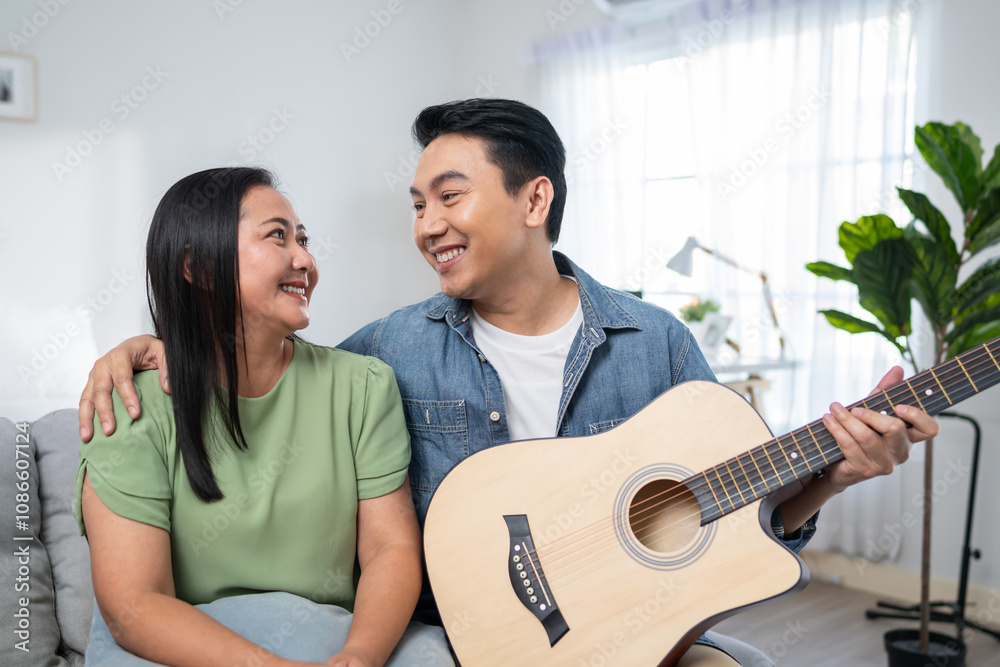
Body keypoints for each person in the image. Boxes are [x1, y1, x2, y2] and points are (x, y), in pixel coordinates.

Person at [79, 100, 939, 666]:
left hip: (624, 633)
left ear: (534, 201)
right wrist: (151, 344)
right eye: (417, 205)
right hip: (469, 637)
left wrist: (833, 474)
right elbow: (262, 373)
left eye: (449, 197)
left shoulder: (659, 346)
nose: (427, 225)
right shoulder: (390, 350)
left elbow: (733, 523)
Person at [74, 167, 454, 667]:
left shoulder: (363, 387)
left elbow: (391, 549)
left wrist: (359, 657)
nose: (306, 260)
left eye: (303, 239)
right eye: (278, 236)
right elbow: (134, 607)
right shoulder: (128, 405)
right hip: (180, 650)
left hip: (334, 642)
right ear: (198, 266)